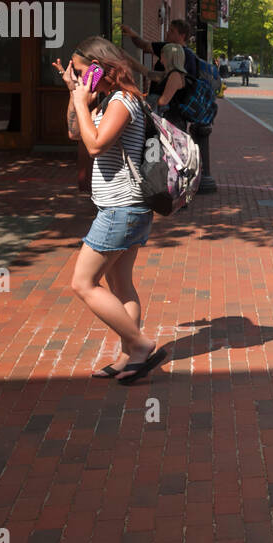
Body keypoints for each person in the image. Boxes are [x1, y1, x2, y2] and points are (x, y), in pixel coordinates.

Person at [56, 36, 170, 385]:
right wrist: (75, 95)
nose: (76, 77)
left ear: (98, 68)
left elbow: (94, 145)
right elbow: (77, 132)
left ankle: (139, 345)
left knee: (83, 282)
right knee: (120, 284)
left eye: (79, 72)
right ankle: (128, 357)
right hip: (126, 209)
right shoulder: (109, 100)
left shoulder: (122, 101)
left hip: (122, 209)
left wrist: (79, 98)